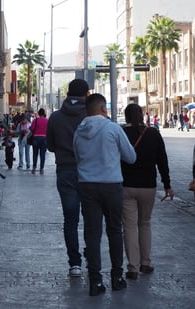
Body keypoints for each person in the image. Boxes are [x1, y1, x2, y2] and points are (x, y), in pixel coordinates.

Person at [73, 93, 136, 296]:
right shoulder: (113, 129)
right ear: (103, 109)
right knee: (114, 231)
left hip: (87, 186)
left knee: (92, 234)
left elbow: (77, 158)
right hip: (111, 185)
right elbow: (131, 157)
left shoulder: (78, 132)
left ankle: (95, 281)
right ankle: (117, 277)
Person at [121, 103, 174, 281]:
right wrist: (167, 184)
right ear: (142, 115)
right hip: (148, 186)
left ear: (126, 116)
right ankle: (146, 262)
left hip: (126, 186)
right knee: (145, 223)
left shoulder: (121, 133)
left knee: (129, 226)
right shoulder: (153, 134)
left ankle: (132, 268)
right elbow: (162, 161)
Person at [46, 78, 89, 277]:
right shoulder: (91, 115)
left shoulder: (55, 117)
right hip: (89, 173)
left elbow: (50, 146)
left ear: (67, 94)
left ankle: (74, 263)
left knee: (70, 220)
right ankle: (92, 259)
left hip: (65, 172)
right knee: (91, 218)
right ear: (86, 94)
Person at [30, 108, 48, 175]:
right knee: (42, 154)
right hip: (44, 138)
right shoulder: (47, 120)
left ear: (38, 113)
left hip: (36, 138)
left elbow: (31, 129)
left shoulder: (35, 120)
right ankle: (41, 169)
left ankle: (34, 168)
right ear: (44, 113)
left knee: (35, 153)